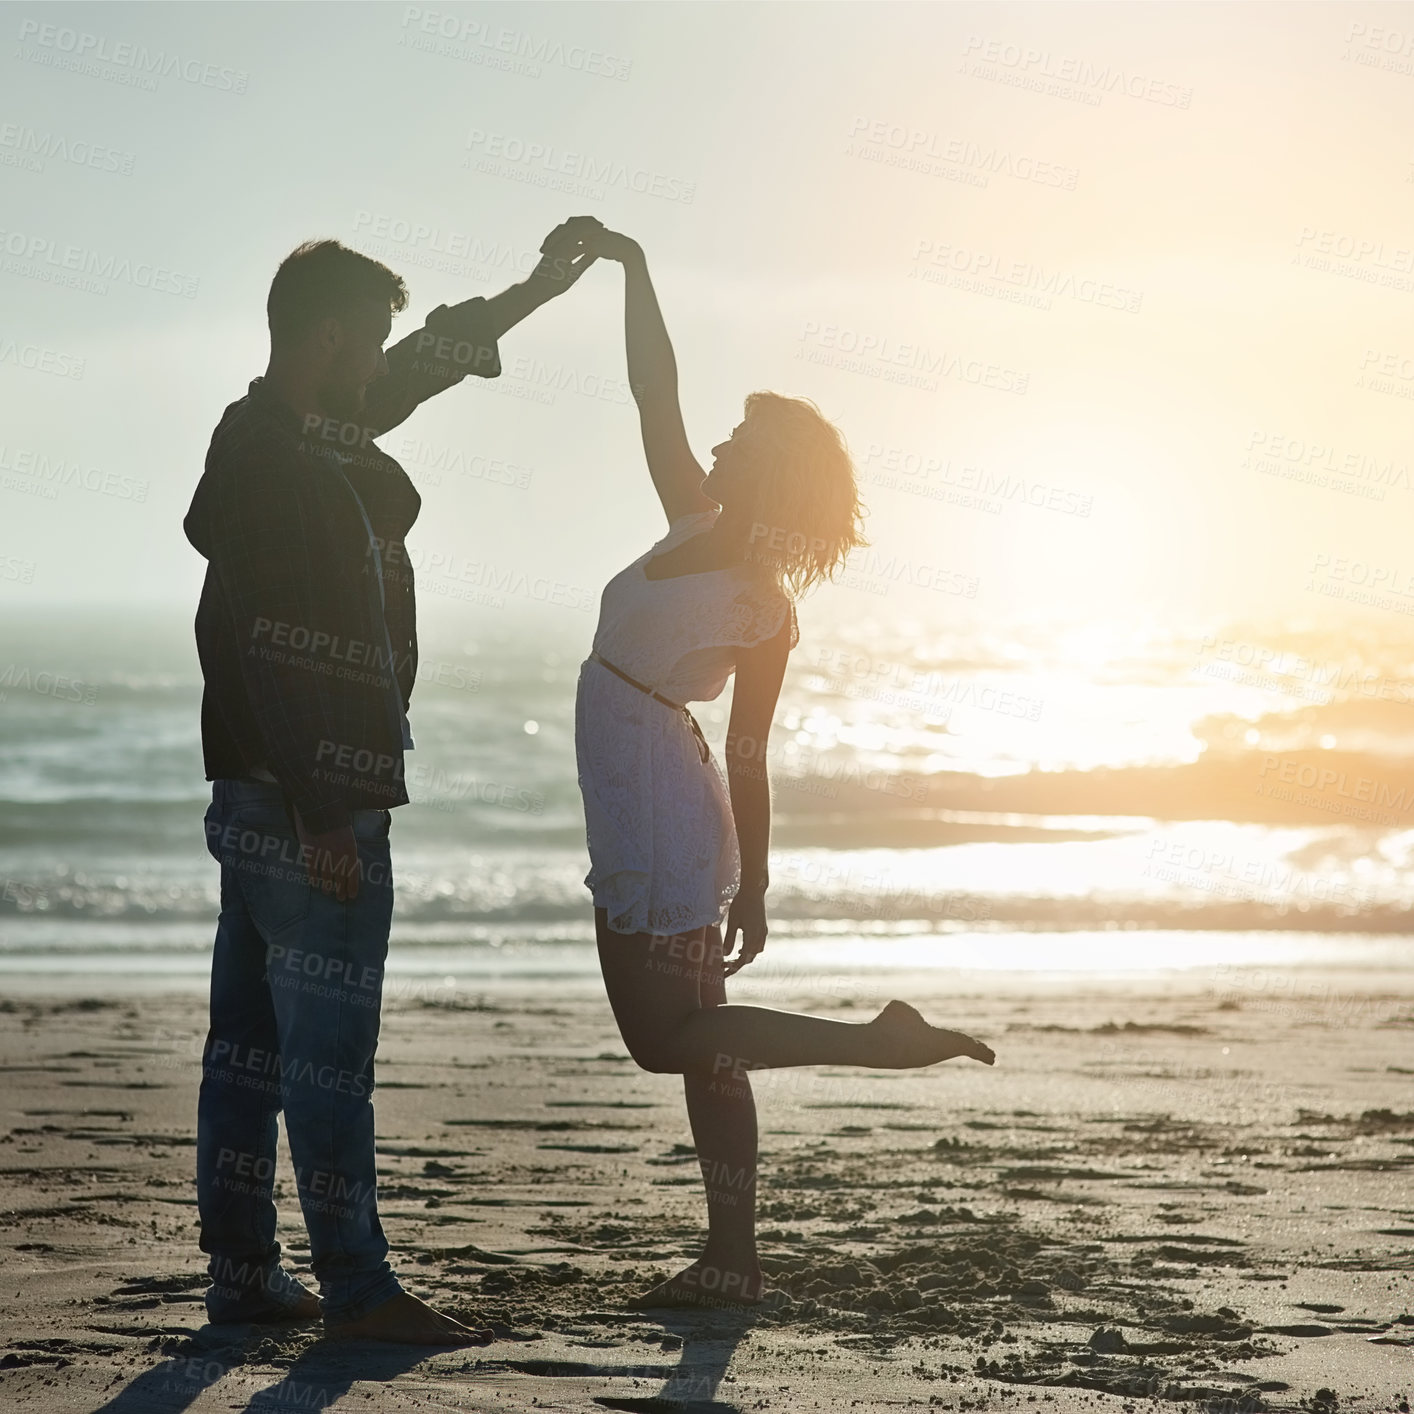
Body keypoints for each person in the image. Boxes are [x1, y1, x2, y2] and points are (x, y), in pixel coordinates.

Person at [182, 219, 600, 1345]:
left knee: (250, 1046)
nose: (380, 361)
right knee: (325, 1058)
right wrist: (326, 810)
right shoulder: (275, 461)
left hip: (267, 792)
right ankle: (359, 1294)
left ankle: (243, 1276)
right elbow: (267, 645)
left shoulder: (292, 430)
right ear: (324, 340)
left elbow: (425, 364)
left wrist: (532, 290)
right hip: (308, 796)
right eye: (366, 341)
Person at [571, 223, 997, 1310]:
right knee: (704, 1048)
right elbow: (648, 392)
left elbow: (753, 754)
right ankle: (734, 1258)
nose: (714, 444)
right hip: (645, 783)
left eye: (737, 439)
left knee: (663, 1041)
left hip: (665, 805)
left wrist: (754, 880)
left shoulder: (765, 607)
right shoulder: (691, 520)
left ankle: (872, 1042)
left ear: (768, 472)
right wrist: (633, 263)